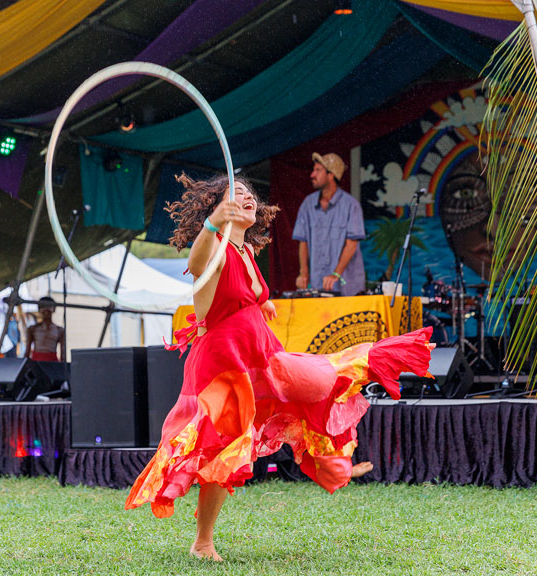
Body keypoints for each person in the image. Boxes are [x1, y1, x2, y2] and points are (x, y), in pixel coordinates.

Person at [125, 173, 433, 561]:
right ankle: (203, 541)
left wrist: (260, 303)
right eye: (236, 194)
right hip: (223, 366)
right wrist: (213, 222)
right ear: (219, 207)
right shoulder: (215, 246)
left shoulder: (247, 254)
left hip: (260, 356)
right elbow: (198, 262)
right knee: (227, 446)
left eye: (249, 193)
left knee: (320, 382)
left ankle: (337, 459)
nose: (247, 197)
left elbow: (244, 293)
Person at [293, 152, 366, 295]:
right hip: (318, 284)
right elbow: (303, 241)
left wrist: (336, 275)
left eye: (318, 170)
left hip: (347, 286)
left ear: (331, 175)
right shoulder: (307, 204)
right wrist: (303, 273)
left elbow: (352, 244)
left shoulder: (351, 205)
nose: (312, 175)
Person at [25, 297, 64, 362]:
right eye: (43, 306)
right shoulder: (32, 329)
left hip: (53, 365)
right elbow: (27, 352)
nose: (46, 309)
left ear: (54, 309)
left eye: (49, 306)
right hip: (36, 364)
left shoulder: (60, 330)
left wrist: (63, 369)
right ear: (39, 309)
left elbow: (63, 354)